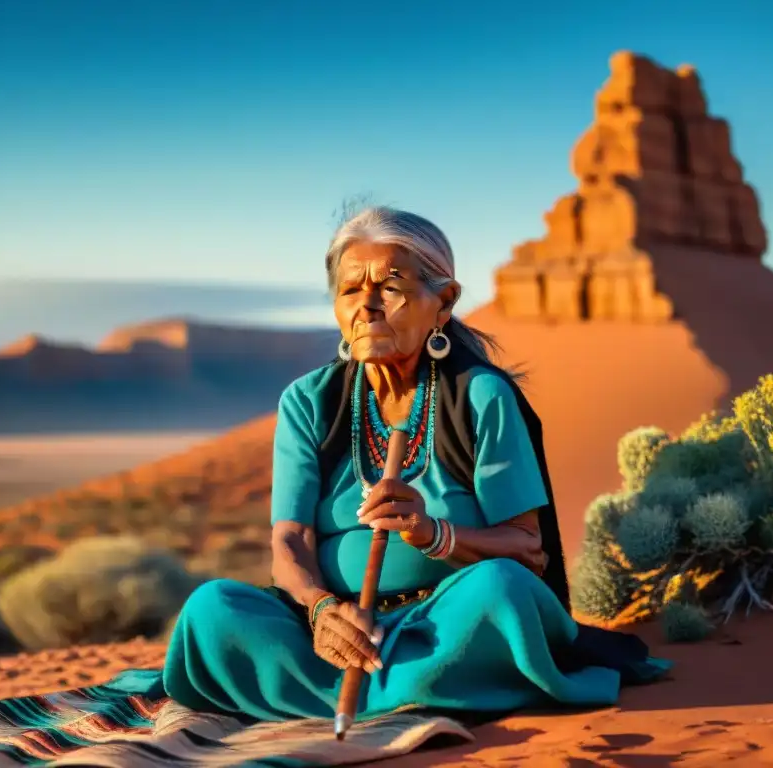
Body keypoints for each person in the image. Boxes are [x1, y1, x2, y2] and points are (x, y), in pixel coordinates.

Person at [163, 206, 669, 723]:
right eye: (349, 290)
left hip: (446, 623)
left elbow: (527, 551)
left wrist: (433, 533)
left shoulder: (481, 396)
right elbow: (290, 540)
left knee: (502, 592)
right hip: (334, 629)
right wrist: (320, 611)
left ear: (443, 302)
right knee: (213, 610)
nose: (367, 306)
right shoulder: (308, 401)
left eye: (390, 287)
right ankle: (404, 690)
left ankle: (342, 694)